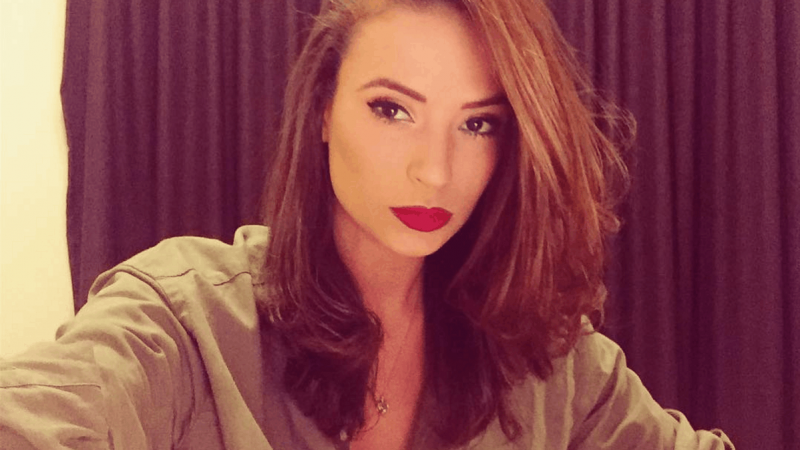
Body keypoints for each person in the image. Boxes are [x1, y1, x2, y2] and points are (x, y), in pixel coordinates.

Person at [0, 0, 735, 449]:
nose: (435, 171)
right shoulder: (187, 323)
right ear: (323, 110)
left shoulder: (548, 359)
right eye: (393, 109)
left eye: (477, 123)